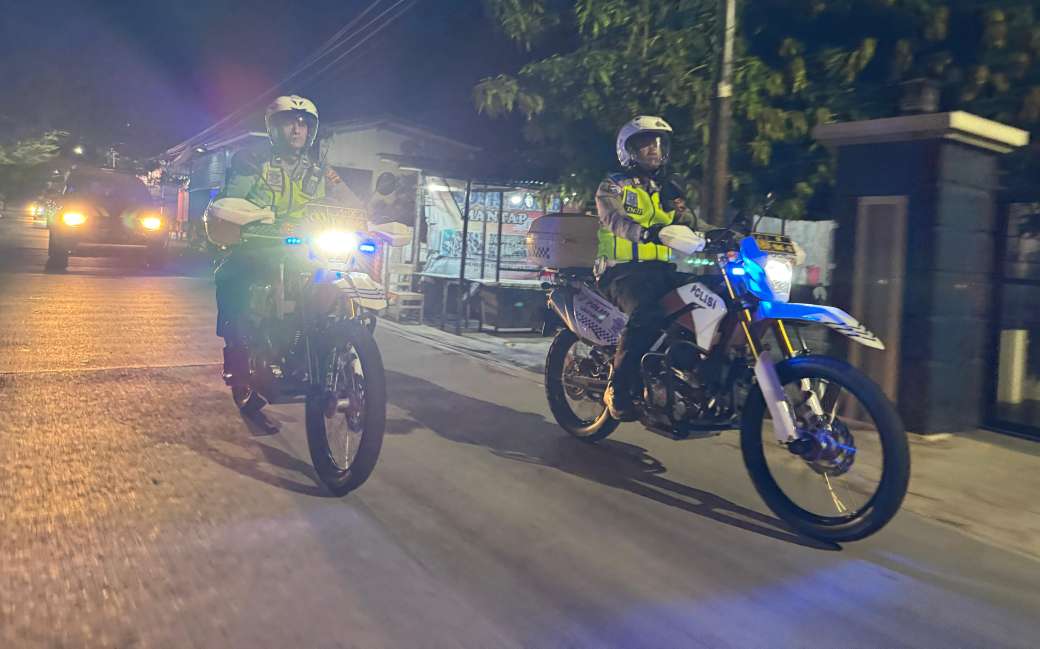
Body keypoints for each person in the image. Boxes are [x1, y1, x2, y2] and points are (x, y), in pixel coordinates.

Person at [213, 94, 362, 389]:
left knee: (339, 278)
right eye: (289, 124)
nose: (297, 130)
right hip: (259, 241)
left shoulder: (320, 169)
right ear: (272, 128)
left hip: (307, 245)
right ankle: (236, 353)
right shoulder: (251, 161)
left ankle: (325, 346)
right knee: (229, 277)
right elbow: (232, 199)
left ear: (311, 131)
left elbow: (351, 202)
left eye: (304, 124)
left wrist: (368, 220)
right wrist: (248, 217)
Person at [594, 115, 718, 421]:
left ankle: (687, 370)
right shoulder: (613, 185)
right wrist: (645, 232)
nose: (654, 150)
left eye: (659, 144)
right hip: (621, 272)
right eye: (646, 143)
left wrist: (732, 237)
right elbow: (614, 219)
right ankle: (618, 389)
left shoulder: (670, 191)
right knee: (647, 313)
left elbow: (692, 223)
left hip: (659, 271)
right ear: (628, 150)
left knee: (710, 295)